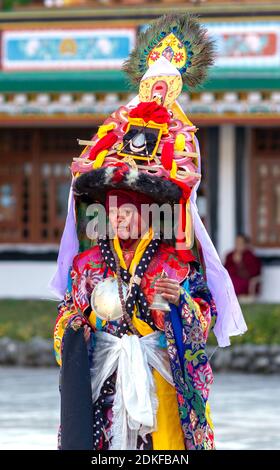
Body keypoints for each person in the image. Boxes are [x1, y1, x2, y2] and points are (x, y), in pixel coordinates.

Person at [51, 13, 247, 451]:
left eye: (129, 208)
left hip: (160, 380)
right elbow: (67, 314)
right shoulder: (87, 264)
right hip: (106, 381)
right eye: (111, 206)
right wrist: (75, 328)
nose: (118, 215)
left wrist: (182, 307)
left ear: (150, 211)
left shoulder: (173, 263)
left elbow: (201, 315)